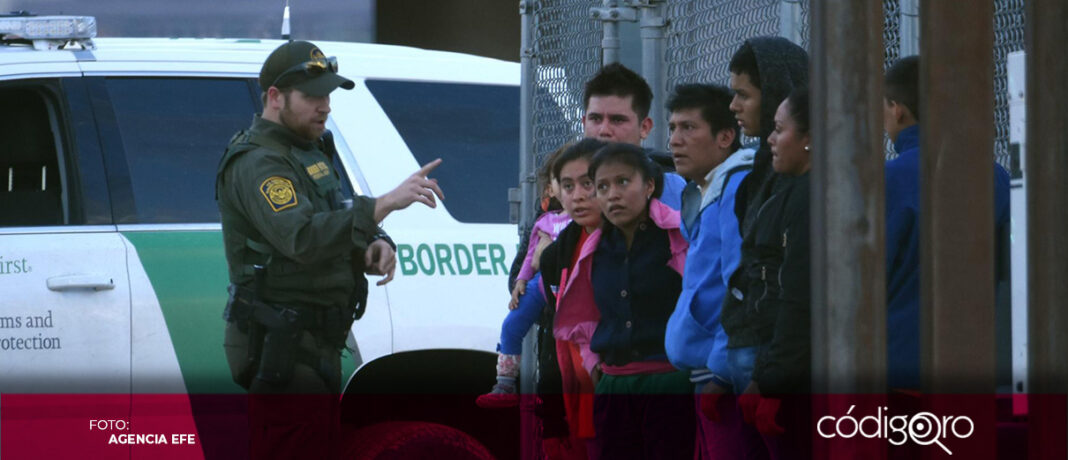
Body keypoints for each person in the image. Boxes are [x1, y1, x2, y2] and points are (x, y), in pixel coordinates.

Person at [215, 40, 445, 459]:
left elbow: (332, 219)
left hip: (316, 344)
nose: (325, 107)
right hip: (283, 348)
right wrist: (384, 204)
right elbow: (300, 237)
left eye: (328, 96)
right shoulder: (259, 163)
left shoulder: (308, 151)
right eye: (313, 96)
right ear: (275, 97)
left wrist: (373, 244)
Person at [883, 55, 1011, 391]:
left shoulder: (888, 179)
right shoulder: (996, 177)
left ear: (897, 109)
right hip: (978, 360)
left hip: (900, 360)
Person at [661, 83, 763, 459]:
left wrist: (721, 370)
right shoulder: (701, 189)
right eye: (672, 128)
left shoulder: (737, 186)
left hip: (725, 378)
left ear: (725, 136)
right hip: (707, 375)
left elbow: (739, 282)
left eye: (689, 128)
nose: (675, 140)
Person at [720, 36, 808, 458]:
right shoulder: (760, 174)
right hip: (751, 362)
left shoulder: (802, 188)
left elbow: (793, 291)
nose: (733, 106)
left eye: (743, 94)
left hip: (775, 369)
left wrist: (770, 380)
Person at [584, 142, 694, 459]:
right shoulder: (595, 248)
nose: (612, 194)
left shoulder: (678, 236)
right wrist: (592, 361)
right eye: (602, 186)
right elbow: (586, 311)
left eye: (623, 182)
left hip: (669, 383)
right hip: (615, 386)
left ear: (648, 185)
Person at [477, 144, 571, 408]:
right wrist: (521, 281)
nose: (572, 191)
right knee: (511, 325)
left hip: (569, 287)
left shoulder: (584, 221)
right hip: (541, 283)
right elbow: (531, 256)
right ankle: (505, 383)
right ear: (551, 190)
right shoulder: (545, 221)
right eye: (565, 184)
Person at [537, 138, 609, 459]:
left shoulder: (629, 242)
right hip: (577, 404)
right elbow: (550, 339)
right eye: (567, 185)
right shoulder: (556, 255)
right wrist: (552, 422)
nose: (577, 195)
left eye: (588, 184)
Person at [581, 62, 686, 210]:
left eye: (617, 120)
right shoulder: (563, 186)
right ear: (584, 123)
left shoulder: (672, 189)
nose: (604, 130)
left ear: (644, 128)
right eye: (595, 119)